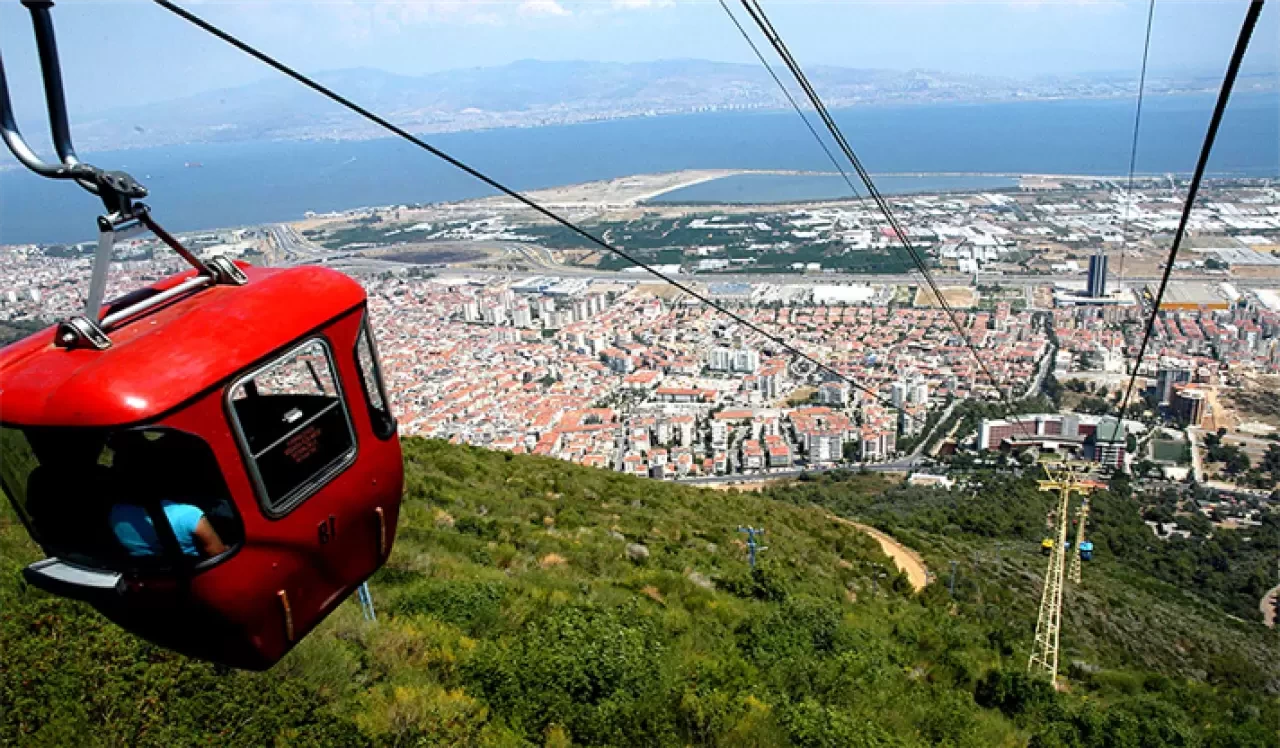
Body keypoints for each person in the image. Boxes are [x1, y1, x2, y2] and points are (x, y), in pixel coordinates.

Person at [110, 500, 227, 559]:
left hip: (144, 576)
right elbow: (218, 553)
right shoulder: (188, 514)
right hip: (193, 576)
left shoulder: (116, 513)